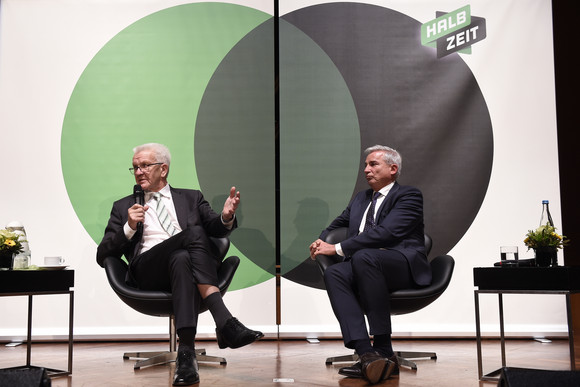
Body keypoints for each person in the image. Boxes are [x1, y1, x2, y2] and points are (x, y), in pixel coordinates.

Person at [97, 143, 263, 386]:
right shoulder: (124, 207)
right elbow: (103, 254)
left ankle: (186, 354)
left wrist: (226, 217)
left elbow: (217, 229)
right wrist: (129, 227)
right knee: (194, 234)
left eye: (145, 165)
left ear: (163, 169)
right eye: (135, 168)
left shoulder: (191, 197)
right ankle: (224, 321)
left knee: (182, 257)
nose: (138, 172)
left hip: (185, 268)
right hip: (147, 271)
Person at [309, 145, 431, 384]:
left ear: (393, 169)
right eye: (365, 165)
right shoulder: (361, 198)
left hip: (400, 265)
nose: (366, 169)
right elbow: (337, 224)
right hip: (365, 266)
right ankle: (366, 353)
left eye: (373, 164)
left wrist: (336, 248)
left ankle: (385, 348)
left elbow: (386, 233)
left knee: (365, 256)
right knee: (335, 272)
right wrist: (320, 240)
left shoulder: (408, 195)